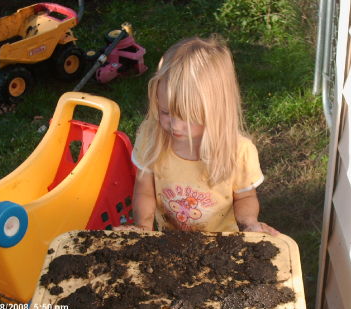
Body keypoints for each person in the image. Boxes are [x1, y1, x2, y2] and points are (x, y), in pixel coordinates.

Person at [117, 35, 278, 235]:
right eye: (165, 112)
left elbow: (245, 198)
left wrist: (249, 223)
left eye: (187, 117)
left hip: (221, 244)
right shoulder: (152, 137)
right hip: (168, 239)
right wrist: (143, 228)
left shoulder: (239, 151)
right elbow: (144, 191)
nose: (174, 125)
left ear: (216, 111)